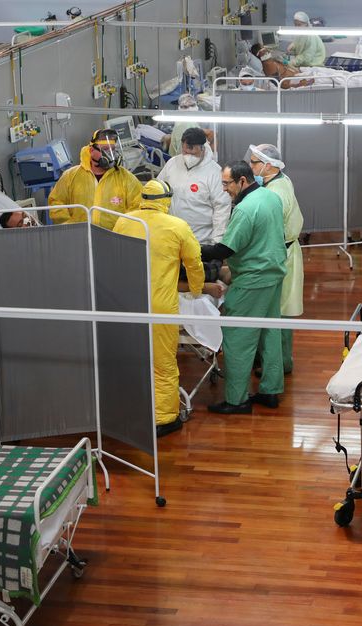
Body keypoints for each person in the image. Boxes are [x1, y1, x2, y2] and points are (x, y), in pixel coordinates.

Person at [112, 180, 224, 436]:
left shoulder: (123, 221)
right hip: (159, 305)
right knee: (162, 363)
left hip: (126, 302)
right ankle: (164, 418)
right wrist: (197, 290)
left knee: (131, 358)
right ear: (167, 200)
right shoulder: (177, 226)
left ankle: (131, 409)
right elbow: (195, 264)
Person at [201, 161, 287, 414]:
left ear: (241, 181)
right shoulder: (269, 197)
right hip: (273, 274)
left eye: (227, 183)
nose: (224, 188)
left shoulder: (245, 209)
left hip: (253, 279)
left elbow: (225, 250)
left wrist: (192, 249)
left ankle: (236, 400)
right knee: (270, 334)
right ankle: (270, 392)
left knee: (237, 337)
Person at [248, 144, 303, 374]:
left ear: (268, 165)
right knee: (278, 308)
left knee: (278, 311)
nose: (251, 166)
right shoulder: (280, 180)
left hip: (281, 255)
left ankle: (279, 364)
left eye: (254, 162)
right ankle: (273, 361)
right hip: (285, 251)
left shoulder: (275, 192)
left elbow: (269, 229)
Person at [48, 129, 142, 229]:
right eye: (105, 150)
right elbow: (56, 203)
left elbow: (139, 206)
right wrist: (71, 227)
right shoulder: (70, 176)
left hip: (114, 239)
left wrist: (122, 229)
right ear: (91, 151)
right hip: (80, 238)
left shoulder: (126, 178)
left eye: (113, 149)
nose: (111, 155)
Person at [158, 127, 231, 245]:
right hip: (172, 238)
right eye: (184, 149)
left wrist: (217, 242)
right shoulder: (172, 164)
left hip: (200, 241)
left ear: (202, 148)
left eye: (191, 149)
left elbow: (221, 209)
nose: (187, 153)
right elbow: (158, 190)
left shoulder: (214, 172)